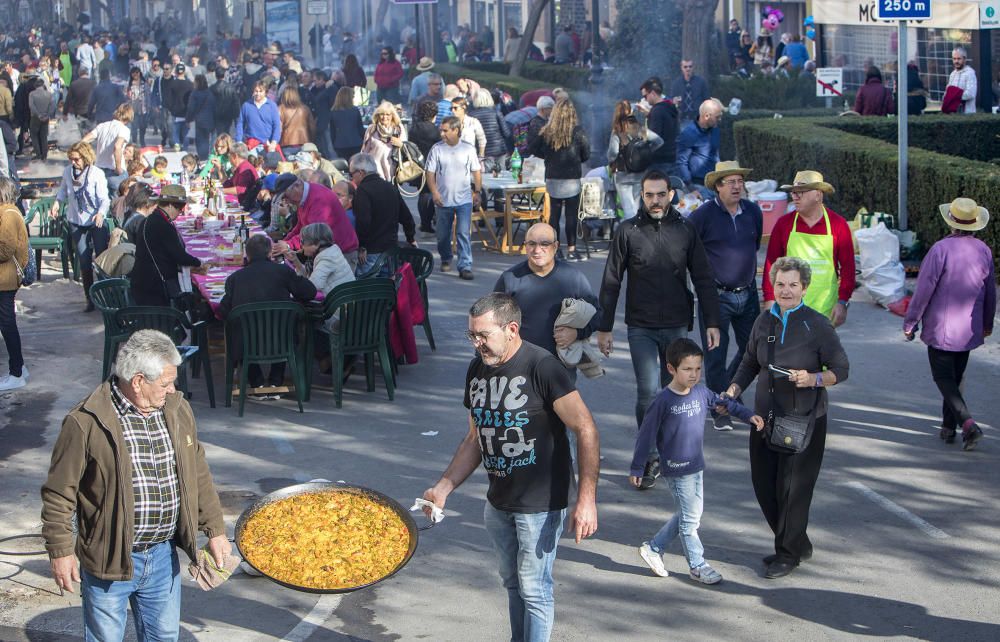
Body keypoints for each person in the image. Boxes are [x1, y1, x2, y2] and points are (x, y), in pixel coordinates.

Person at [421, 293, 599, 642]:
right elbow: (475, 437)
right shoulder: (477, 369)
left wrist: (587, 499)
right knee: (513, 584)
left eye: (483, 336)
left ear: (511, 329)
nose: (477, 344)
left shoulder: (543, 367)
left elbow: (586, 428)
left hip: (541, 504)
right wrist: (443, 488)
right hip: (498, 502)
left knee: (534, 588)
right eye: (472, 336)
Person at [41, 329, 232, 641]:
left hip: (162, 556)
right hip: (109, 559)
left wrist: (216, 530)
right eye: (166, 383)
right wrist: (60, 551)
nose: (173, 390)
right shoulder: (85, 422)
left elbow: (198, 471)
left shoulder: (176, 410)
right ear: (139, 381)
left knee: (164, 638)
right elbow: (59, 494)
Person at [726, 256, 850, 579]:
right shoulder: (763, 321)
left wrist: (813, 379)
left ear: (804, 288)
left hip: (804, 420)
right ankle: (797, 541)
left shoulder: (818, 325)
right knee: (764, 485)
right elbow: (750, 361)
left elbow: (841, 369)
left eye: (793, 284)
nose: (786, 290)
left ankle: (787, 553)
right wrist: (734, 388)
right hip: (764, 419)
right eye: (780, 284)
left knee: (792, 489)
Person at [597, 171, 721, 489]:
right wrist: (604, 327)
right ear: (641, 196)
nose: (655, 201)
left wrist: (713, 322)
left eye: (660, 194)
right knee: (648, 393)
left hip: (677, 325)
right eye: (649, 195)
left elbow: (704, 278)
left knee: (675, 393)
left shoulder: (686, 230)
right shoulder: (628, 231)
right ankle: (650, 456)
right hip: (641, 326)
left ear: (671, 195)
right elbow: (612, 280)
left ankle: (670, 451)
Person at [632, 338, 762, 583]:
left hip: (696, 466)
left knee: (687, 514)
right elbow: (645, 435)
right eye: (687, 369)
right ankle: (697, 565)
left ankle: (654, 548)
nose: (694, 375)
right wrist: (638, 466)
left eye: (698, 369)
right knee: (690, 519)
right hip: (676, 469)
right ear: (671, 369)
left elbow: (725, 404)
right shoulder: (663, 401)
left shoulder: (702, 392)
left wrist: (749, 415)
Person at [903, 197, 994, 451]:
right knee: (955, 376)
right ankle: (947, 426)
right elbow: (990, 293)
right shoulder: (984, 250)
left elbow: (923, 290)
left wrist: (911, 322)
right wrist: (986, 324)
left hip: (941, 328)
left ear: (951, 222)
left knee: (943, 378)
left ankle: (967, 424)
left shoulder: (940, 249)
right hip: (969, 327)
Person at [689, 161, 762, 431]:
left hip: (748, 293)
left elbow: (753, 247)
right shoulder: (703, 215)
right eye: (730, 182)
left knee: (752, 351)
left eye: (739, 181)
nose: (736, 186)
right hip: (716, 297)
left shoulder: (753, 211)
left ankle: (726, 393)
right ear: (717, 187)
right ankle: (720, 410)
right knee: (715, 356)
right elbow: (688, 250)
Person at [493, 222, 600, 370]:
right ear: (525, 246)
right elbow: (492, 323)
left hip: (560, 369)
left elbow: (598, 315)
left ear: (555, 246)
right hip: (519, 367)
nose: (537, 250)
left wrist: (577, 333)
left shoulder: (573, 278)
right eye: (531, 244)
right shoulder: (509, 279)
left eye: (544, 244)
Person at [219, 234, 316, 390]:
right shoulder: (283, 271)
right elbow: (309, 292)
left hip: (247, 342)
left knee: (239, 328)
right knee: (282, 324)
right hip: (282, 338)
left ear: (247, 255)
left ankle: (256, 381)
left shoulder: (235, 278)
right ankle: (276, 379)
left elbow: (223, 311)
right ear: (270, 253)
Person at [763, 170, 855, 324]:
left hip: (825, 310)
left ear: (818, 195)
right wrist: (770, 299)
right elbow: (771, 265)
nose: (795, 196)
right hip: (788, 309)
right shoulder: (784, 224)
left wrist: (842, 302)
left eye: (802, 192)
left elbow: (848, 269)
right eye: (793, 192)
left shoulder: (838, 225)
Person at [527, 99, 590, 262]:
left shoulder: (548, 131)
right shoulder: (578, 131)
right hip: (571, 177)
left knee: (553, 215)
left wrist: (547, 156)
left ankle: (555, 248)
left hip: (553, 175)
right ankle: (572, 249)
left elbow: (533, 147)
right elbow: (586, 153)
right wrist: (576, 159)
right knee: (571, 215)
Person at [53, 142, 111, 312]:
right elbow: (63, 191)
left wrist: (101, 213)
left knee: (101, 259)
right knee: (84, 260)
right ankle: (89, 298)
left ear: (85, 158)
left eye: (76, 159)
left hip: (95, 221)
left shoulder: (96, 174)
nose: (74, 162)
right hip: (76, 220)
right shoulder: (67, 172)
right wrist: (57, 203)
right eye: (71, 159)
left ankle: (106, 295)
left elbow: (104, 199)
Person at [426, 115, 481, 280]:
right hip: (443, 200)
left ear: (456, 130)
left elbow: (476, 171)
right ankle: (445, 257)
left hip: (464, 199)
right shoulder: (437, 149)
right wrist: (435, 192)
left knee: (463, 232)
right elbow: (430, 173)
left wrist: (477, 191)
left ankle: (465, 265)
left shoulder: (468, 149)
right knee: (443, 234)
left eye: (445, 130)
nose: (442, 133)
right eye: (441, 130)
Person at [130, 184, 203, 307]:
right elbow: (179, 256)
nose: (181, 211)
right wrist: (199, 263)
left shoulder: (151, 219)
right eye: (179, 207)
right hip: (154, 289)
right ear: (169, 205)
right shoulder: (162, 225)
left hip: (142, 283)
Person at [349, 153, 416, 276]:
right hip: (391, 250)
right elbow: (406, 217)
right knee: (387, 288)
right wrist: (410, 238)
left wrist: (362, 246)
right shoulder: (390, 187)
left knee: (368, 289)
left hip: (371, 252)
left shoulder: (363, 190)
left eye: (352, 174)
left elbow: (364, 222)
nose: (351, 179)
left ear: (361, 172)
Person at [273, 178, 359, 270]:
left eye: (286, 196)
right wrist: (284, 242)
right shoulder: (303, 198)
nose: (287, 201)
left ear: (297, 187)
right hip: (327, 251)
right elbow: (300, 227)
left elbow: (313, 234)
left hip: (343, 252)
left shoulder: (318, 199)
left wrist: (288, 245)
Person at [607, 101, 664, 220]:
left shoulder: (617, 131)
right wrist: (647, 152)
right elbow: (659, 141)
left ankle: (631, 235)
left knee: (628, 211)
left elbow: (613, 153)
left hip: (623, 175)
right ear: (631, 112)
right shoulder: (640, 129)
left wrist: (611, 159)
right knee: (636, 208)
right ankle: (636, 234)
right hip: (640, 174)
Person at [0, 175, 28, 391]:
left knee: (7, 324)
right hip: (6, 277)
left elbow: (5, 249)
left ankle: (16, 372)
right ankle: (19, 368)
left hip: (5, 279)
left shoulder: (8, 214)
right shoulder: (9, 212)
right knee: (7, 324)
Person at [675, 99, 723, 196]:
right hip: (698, 186)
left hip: (715, 184)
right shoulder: (688, 134)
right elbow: (681, 162)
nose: (720, 119)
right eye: (717, 117)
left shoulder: (715, 129)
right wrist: (691, 188)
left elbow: (716, 154)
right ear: (706, 116)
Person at [408, 100, 442, 234]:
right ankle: (430, 220)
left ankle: (424, 222)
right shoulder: (436, 130)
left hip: (418, 164)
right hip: (433, 165)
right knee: (431, 193)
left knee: (423, 194)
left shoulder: (414, 128)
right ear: (434, 114)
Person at [638, 77, 679, 177]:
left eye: (645, 96)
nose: (645, 99)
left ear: (652, 93)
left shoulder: (657, 111)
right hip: (671, 158)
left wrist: (640, 132)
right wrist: (649, 114)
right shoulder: (669, 107)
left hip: (659, 162)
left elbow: (654, 138)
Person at [82, 103, 133, 182]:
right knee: (123, 193)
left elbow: (84, 141)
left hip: (98, 170)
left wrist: (89, 160)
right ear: (129, 117)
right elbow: (117, 146)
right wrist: (118, 168)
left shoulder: (101, 126)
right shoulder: (124, 129)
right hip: (113, 173)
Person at [361, 100, 407, 181]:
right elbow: (365, 152)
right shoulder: (372, 128)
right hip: (374, 172)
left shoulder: (398, 129)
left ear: (392, 115)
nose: (384, 117)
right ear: (378, 115)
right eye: (382, 114)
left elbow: (405, 147)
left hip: (392, 171)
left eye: (387, 114)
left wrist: (400, 144)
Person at [469, 88, 511, 168]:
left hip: (482, 152)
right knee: (501, 175)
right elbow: (507, 133)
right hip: (499, 150)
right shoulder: (496, 113)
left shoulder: (471, 115)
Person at [235, 81, 281, 153]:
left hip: (268, 144)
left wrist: (274, 142)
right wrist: (239, 140)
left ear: (265, 92)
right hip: (251, 144)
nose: (258, 93)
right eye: (256, 91)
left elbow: (277, 125)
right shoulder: (246, 105)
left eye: (261, 91)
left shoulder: (272, 106)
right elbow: (240, 123)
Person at [669, 60, 710, 126]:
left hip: (698, 119)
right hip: (682, 119)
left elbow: (707, 100)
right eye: (685, 67)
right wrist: (673, 101)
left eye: (690, 66)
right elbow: (671, 100)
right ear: (681, 68)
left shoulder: (701, 82)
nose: (688, 69)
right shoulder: (676, 84)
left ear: (693, 67)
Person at [329, 86, 364, 160]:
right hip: (356, 143)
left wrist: (334, 143)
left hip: (340, 144)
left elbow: (332, 132)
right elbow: (360, 129)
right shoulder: (355, 110)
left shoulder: (333, 112)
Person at [163, 64, 193, 148]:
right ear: (184, 72)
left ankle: (177, 145)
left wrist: (171, 108)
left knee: (176, 131)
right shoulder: (190, 84)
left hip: (175, 112)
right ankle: (185, 148)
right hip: (186, 112)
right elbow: (192, 99)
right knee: (186, 131)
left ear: (176, 71)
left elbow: (168, 98)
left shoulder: (172, 83)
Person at [27, 78, 55, 161]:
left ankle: (38, 154)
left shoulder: (32, 94)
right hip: (46, 117)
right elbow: (52, 106)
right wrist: (47, 115)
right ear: (43, 85)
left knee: (34, 135)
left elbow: (31, 106)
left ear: (35, 86)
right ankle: (44, 155)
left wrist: (38, 115)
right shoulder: (49, 94)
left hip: (35, 117)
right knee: (44, 136)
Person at [210, 67, 241, 139]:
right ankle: (226, 146)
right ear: (224, 75)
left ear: (215, 75)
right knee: (226, 131)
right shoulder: (231, 87)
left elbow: (209, 104)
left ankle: (220, 147)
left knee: (217, 133)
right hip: (228, 115)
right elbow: (236, 102)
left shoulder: (212, 88)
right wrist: (236, 115)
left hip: (216, 115)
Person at [944, 47, 977, 114]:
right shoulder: (952, 74)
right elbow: (947, 92)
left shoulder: (970, 73)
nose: (956, 61)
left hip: (967, 114)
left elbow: (971, 94)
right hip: (953, 114)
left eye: (959, 59)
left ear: (964, 59)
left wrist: (953, 96)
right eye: (954, 59)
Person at [125, 67, 149, 146]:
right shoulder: (128, 85)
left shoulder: (144, 84)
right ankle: (134, 141)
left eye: (137, 72)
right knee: (134, 127)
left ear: (140, 73)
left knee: (143, 126)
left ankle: (142, 140)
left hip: (143, 109)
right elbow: (126, 97)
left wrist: (149, 107)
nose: (135, 74)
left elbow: (148, 95)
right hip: (133, 109)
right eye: (133, 73)